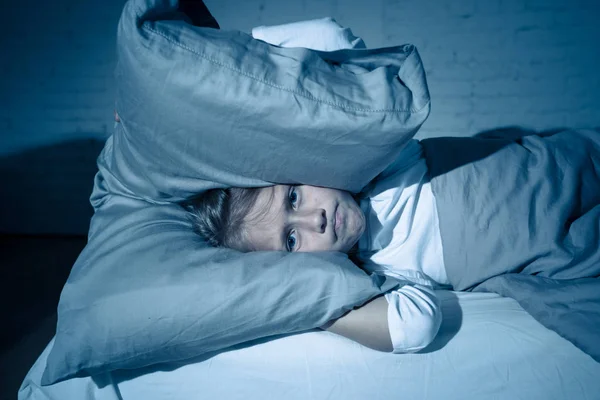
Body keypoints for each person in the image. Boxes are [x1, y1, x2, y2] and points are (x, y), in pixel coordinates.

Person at [182, 140, 446, 354]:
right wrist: (303, 299)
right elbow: (415, 327)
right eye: (292, 240)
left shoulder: (383, 168)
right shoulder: (382, 271)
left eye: (294, 198)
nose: (315, 219)